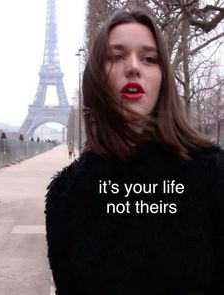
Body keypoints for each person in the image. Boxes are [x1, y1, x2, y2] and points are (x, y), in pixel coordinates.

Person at [45, 7, 224, 294]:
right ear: (95, 77)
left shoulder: (213, 176)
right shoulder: (67, 194)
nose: (133, 67)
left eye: (149, 58)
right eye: (116, 56)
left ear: (163, 77)